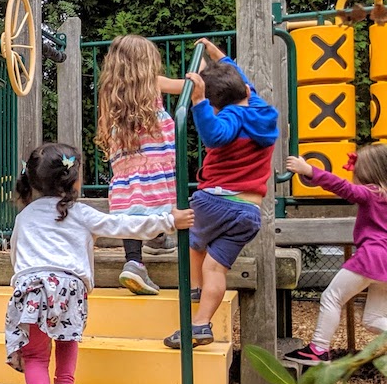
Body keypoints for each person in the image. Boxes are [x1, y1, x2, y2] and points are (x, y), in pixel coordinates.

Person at [8, 142, 194, 384]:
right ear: (73, 181)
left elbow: (16, 256)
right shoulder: (79, 213)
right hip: (69, 287)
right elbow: (124, 225)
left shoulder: (24, 217)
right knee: (68, 335)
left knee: (36, 356)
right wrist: (168, 220)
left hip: (31, 286)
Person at [162, 38, 279, 349]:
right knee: (216, 266)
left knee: (191, 240)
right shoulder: (261, 110)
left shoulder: (228, 118)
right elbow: (243, 81)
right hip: (249, 212)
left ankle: (193, 289)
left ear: (217, 104)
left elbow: (214, 136)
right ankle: (200, 324)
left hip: (216, 201)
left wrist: (199, 102)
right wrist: (217, 55)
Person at [97, 35, 188, 296]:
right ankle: (158, 239)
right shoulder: (155, 85)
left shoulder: (110, 93)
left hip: (126, 169)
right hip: (156, 165)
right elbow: (187, 87)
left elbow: (106, 126)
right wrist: (201, 72)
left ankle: (135, 260)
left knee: (132, 210)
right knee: (158, 202)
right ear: (146, 63)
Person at [282, 146, 387, 364]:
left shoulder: (371, 193)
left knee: (331, 297)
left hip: (371, 257)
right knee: (374, 319)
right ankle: (318, 350)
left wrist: (308, 169)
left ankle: (318, 349)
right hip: (384, 262)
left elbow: (343, 187)